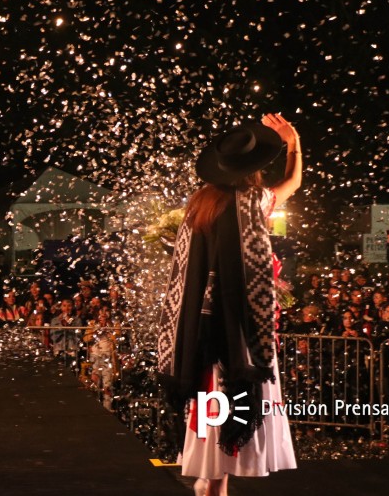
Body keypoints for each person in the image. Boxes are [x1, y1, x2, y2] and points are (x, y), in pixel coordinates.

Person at [157, 114, 300, 495]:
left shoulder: (198, 205)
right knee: (237, 393)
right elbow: (293, 182)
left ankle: (210, 474)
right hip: (239, 331)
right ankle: (214, 478)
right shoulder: (254, 202)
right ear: (253, 170)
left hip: (203, 328)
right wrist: (293, 144)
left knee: (212, 395)